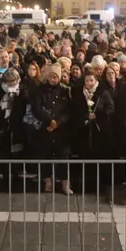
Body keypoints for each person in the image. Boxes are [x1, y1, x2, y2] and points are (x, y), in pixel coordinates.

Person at [32, 64, 73, 194]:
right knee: (45, 154)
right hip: (46, 128)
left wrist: (58, 123)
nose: (53, 79)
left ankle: (65, 184)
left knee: (63, 156)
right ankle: (48, 181)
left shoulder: (65, 91)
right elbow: (37, 108)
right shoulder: (40, 90)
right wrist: (49, 121)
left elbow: (69, 111)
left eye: (55, 77)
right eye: (51, 76)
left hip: (61, 130)